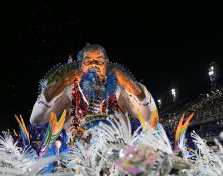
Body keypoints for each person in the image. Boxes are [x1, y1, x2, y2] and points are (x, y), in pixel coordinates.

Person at [30, 44, 158, 143]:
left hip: (117, 160)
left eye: (99, 61)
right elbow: (37, 119)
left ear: (106, 64)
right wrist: (62, 83)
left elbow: (150, 116)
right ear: (81, 66)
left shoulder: (120, 90)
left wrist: (129, 83)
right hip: (78, 162)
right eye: (88, 61)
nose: (94, 65)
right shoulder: (69, 91)